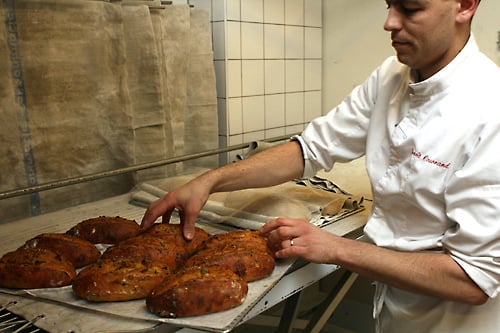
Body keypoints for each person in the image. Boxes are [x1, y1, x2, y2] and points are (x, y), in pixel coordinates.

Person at [141, 0, 500, 331]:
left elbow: (472, 278)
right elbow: (310, 149)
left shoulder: (489, 111)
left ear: (465, 5)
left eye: (410, 8)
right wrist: (209, 181)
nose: (390, 22)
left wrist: (335, 248)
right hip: (395, 311)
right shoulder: (393, 74)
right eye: (389, 5)